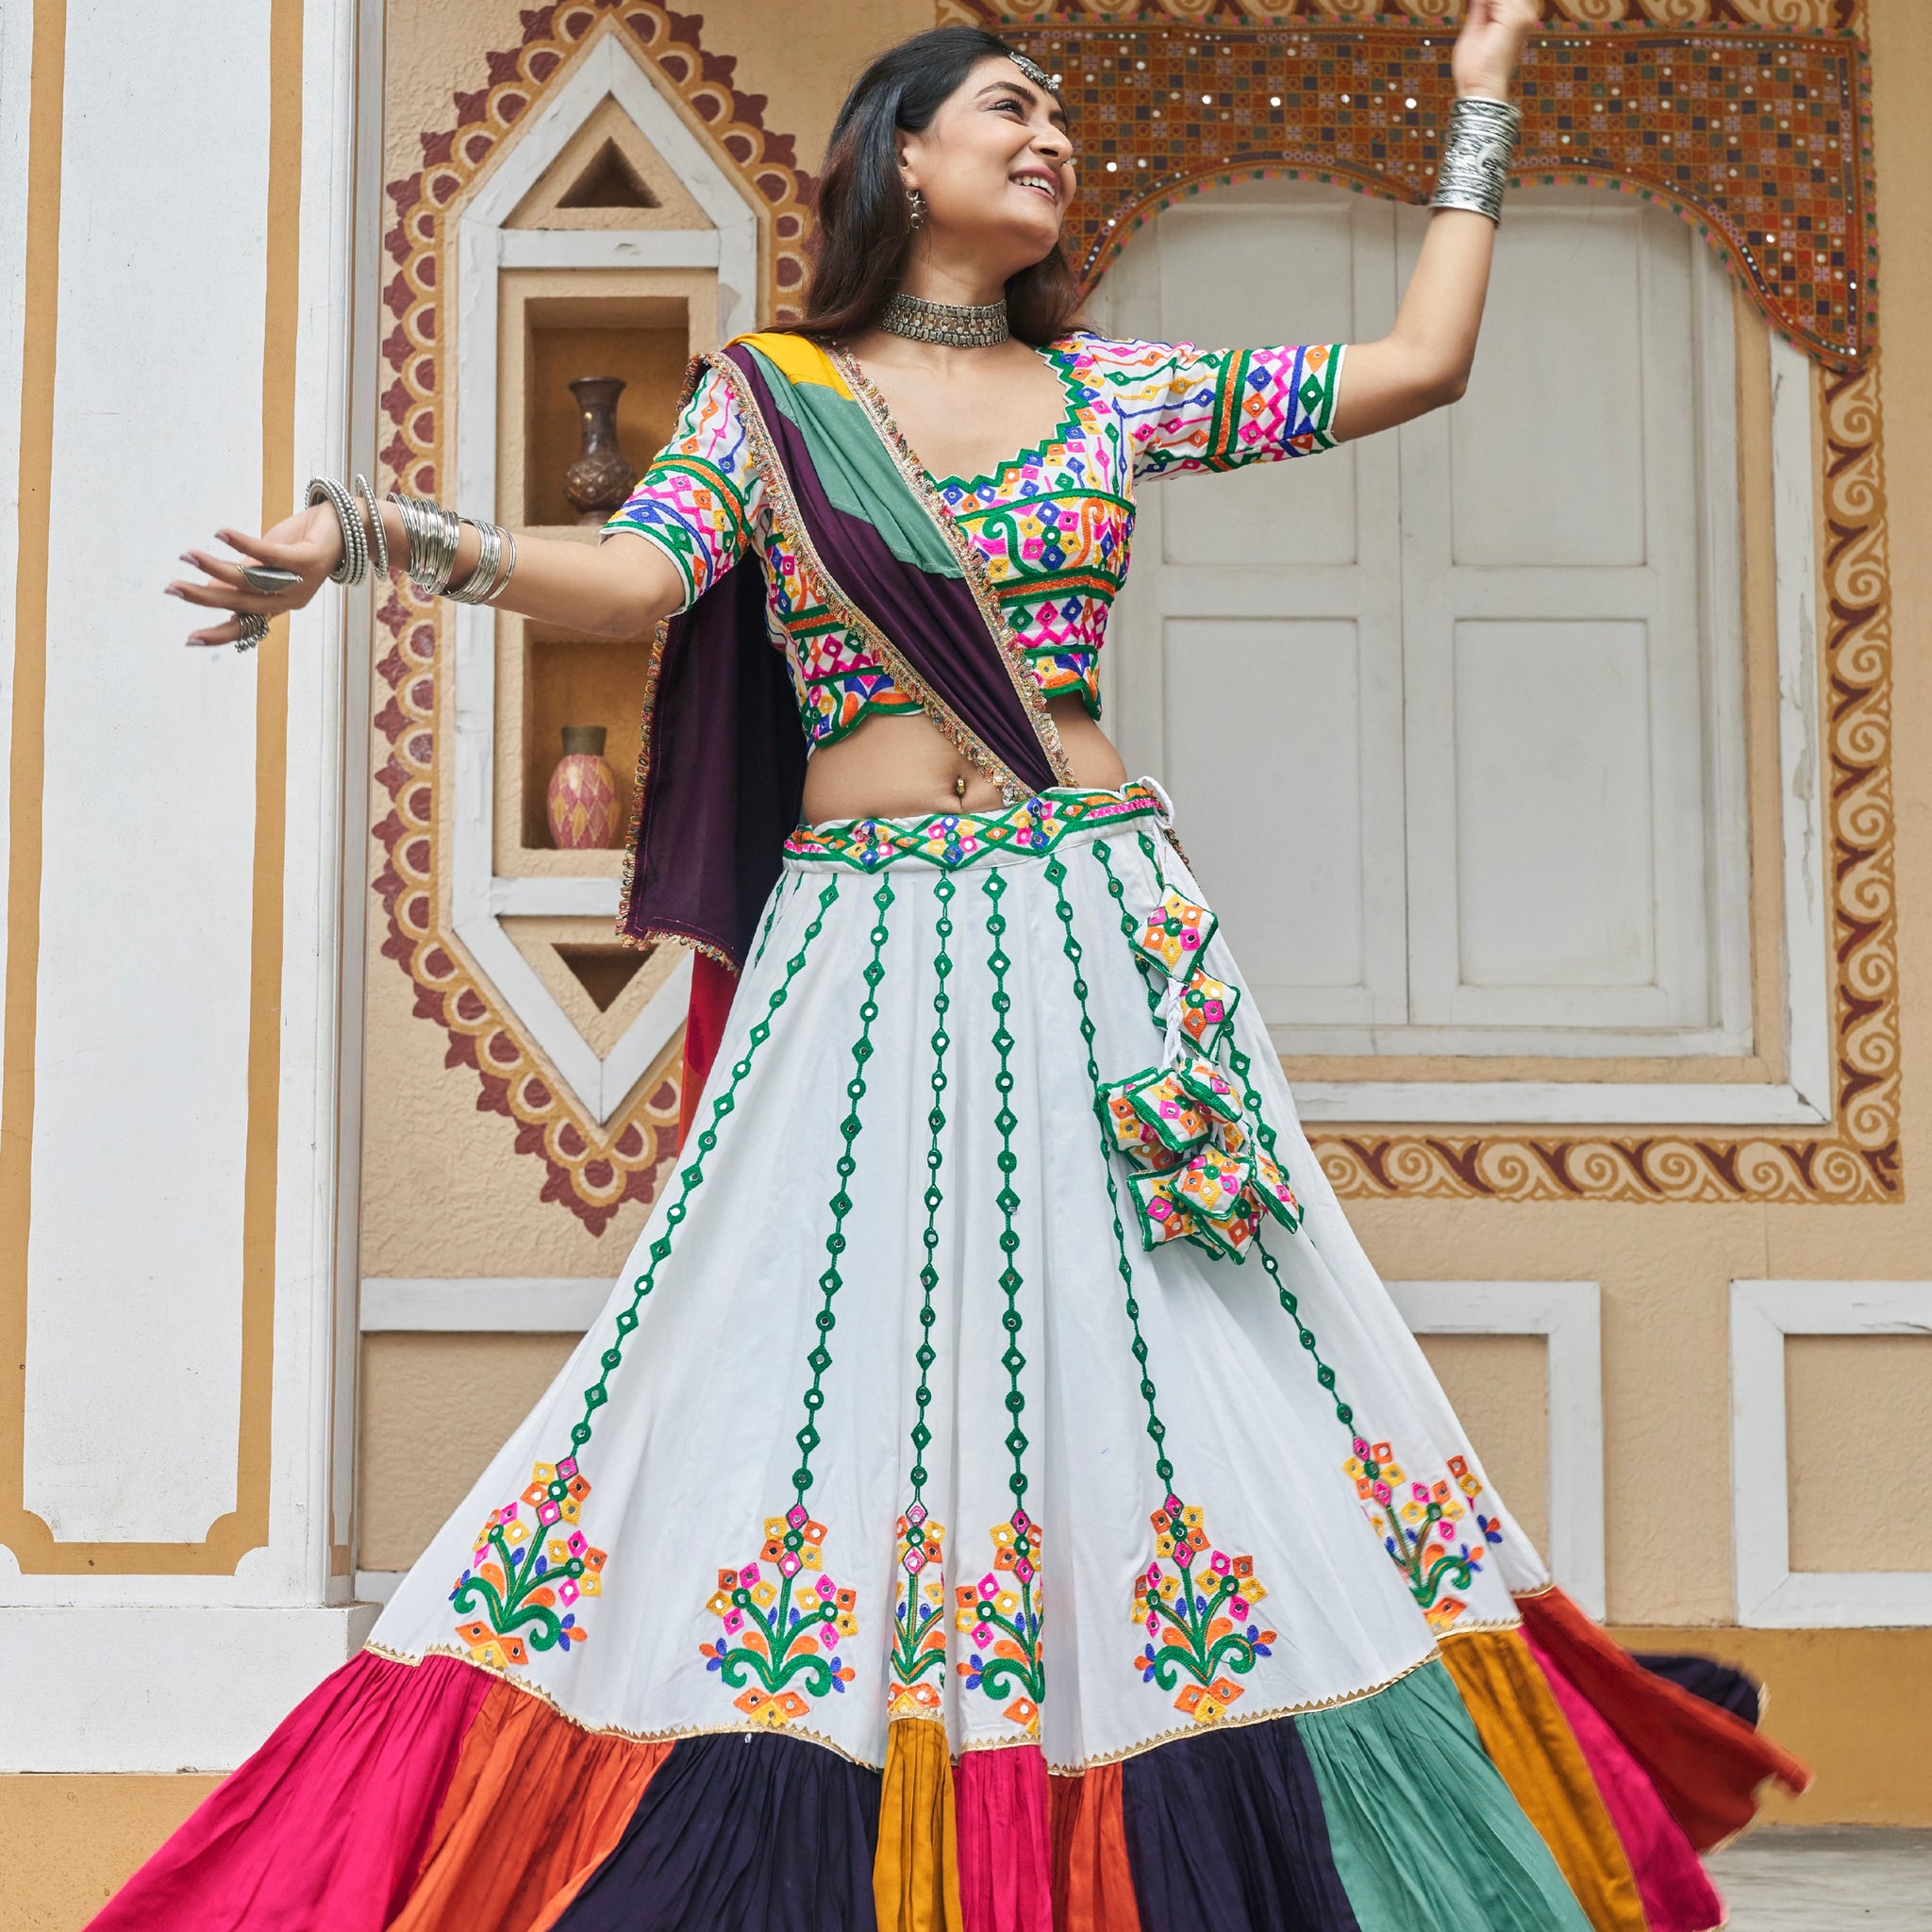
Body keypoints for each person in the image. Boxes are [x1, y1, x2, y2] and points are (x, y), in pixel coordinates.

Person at [127, 9, 1805, 1930]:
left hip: (1103, 942)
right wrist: (375, 537)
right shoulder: (772, 400)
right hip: (866, 944)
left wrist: (1482, 113)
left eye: (1063, 117)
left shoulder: (1109, 391)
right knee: (770, 1353)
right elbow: (641, 579)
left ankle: (1191, 1783)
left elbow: (1419, 364)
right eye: (1014, 109)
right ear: (900, 160)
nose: (1056, 140)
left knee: (1182, 1367)